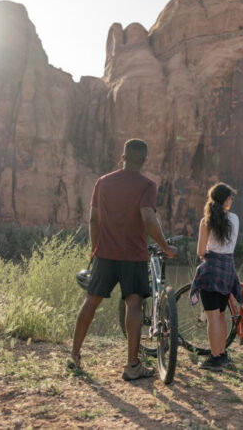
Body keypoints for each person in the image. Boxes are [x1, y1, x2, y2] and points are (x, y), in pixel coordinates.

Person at [69, 138, 177, 381]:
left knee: (91, 302)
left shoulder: (103, 182)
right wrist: (165, 247)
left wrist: (94, 248)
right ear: (145, 160)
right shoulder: (147, 185)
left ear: (124, 156)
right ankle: (132, 366)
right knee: (134, 303)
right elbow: (148, 218)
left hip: (105, 253)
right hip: (133, 255)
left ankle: (74, 355)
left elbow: (93, 220)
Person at [189, 182, 242, 371]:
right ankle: (222, 354)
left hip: (211, 270)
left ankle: (215, 357)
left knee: (212, 318)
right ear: (226, 200)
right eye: (231, 197)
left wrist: (207, 255)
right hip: (228, 270)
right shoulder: (235, 219)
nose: (232, 200)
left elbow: (200, 251)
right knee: (220, 316)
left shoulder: (206, 221)